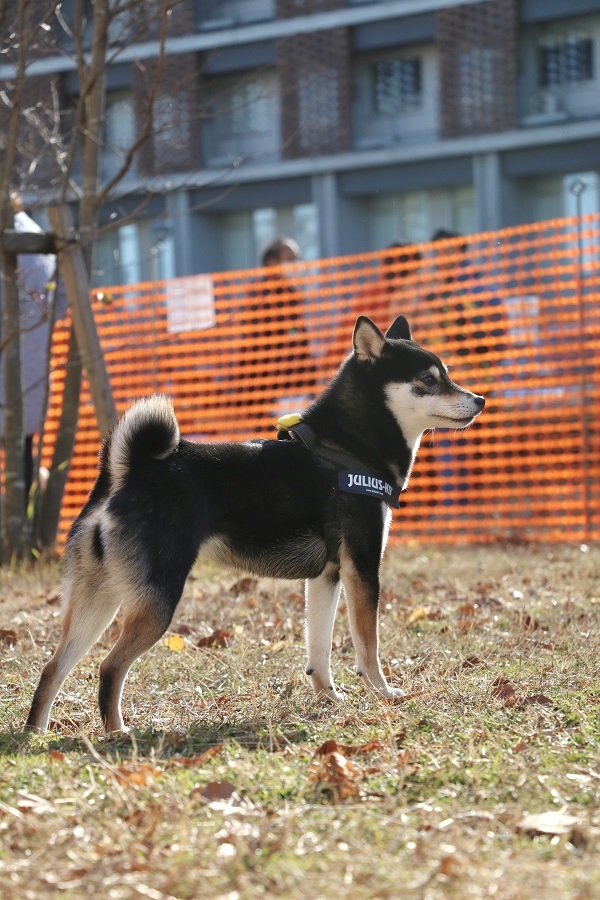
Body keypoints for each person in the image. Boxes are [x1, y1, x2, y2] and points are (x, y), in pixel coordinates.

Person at [0, 203, 67, 502]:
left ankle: (19, 529)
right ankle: (26, 525)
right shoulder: (34, 236)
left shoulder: (17, 239)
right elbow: (59, 305)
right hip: (31, 365)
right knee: (23, 450)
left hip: (13, 363)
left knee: (19, 450)